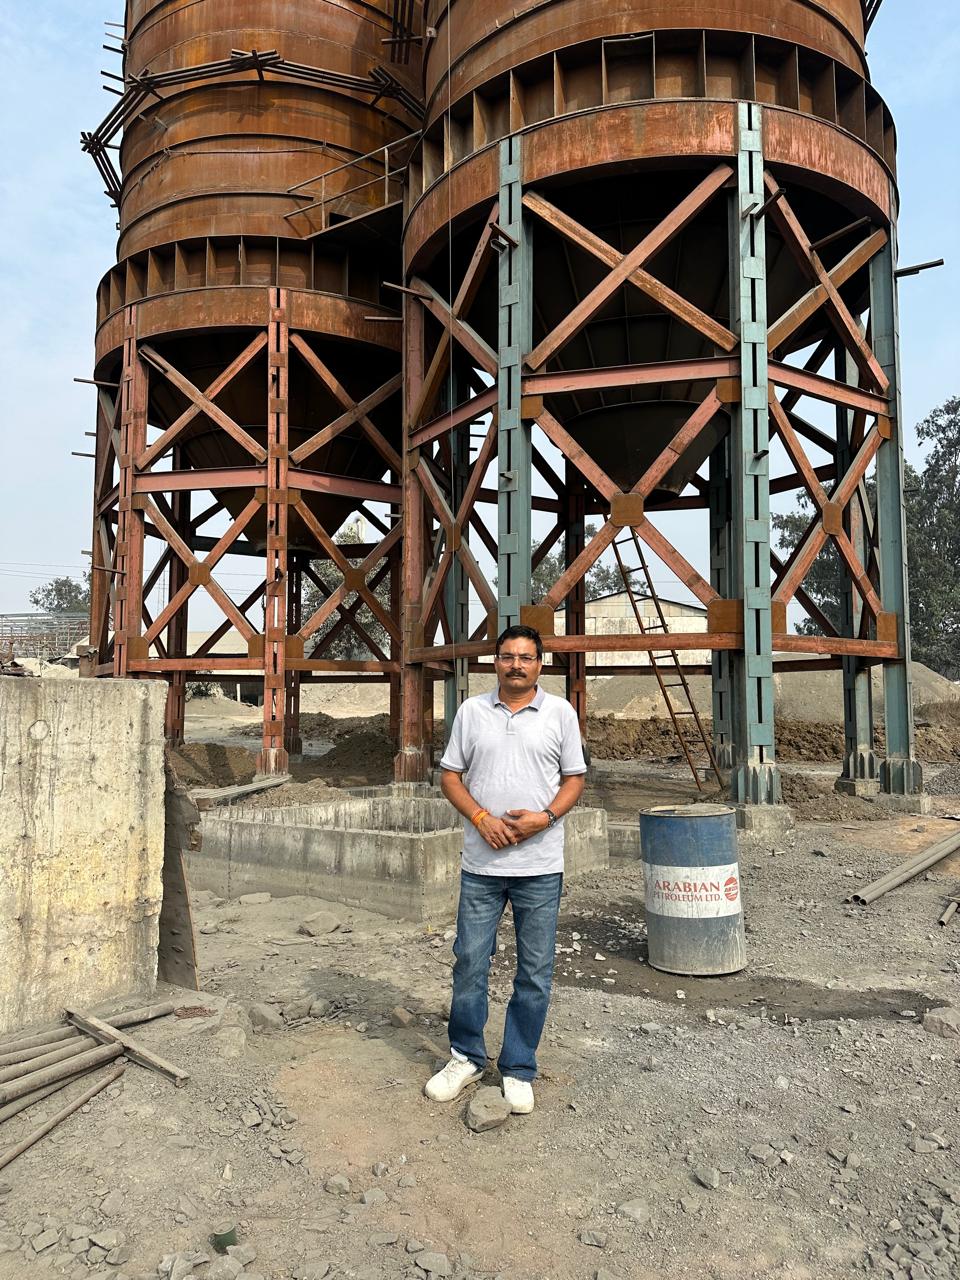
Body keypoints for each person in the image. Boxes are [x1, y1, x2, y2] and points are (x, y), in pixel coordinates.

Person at [425, 625, 587, 1114]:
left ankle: (518, 1067)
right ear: (494, 662)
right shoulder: (472, 713)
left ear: (540, 664)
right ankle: (466, 1056)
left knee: (534, 971)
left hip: (539, 867)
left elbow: (575, 778)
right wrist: (479, 818)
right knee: (470, 962)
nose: (517, 664)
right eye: (508, 656)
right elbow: (449, 775)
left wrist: (547, 817)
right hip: (481, 866)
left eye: (527, 657)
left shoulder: (560, 713)